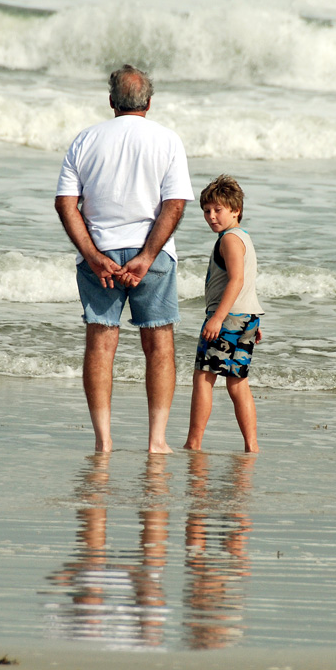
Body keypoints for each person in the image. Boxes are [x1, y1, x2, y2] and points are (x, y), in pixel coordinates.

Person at [55, 65, 194, 453]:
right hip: (152, 253)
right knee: (160, 345)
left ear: (112, 101)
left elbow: (66, 204)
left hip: (100, 254)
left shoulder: (86, 139)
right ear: (149, 102)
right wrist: (148, 256)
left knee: (101, 344)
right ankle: (157, 440)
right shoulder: (167, 140)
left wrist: (92, 255)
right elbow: (175, 204)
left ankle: (103, 440)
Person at [183, 175, 263, 453]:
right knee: (238, 384)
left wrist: (217, 318)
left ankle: (194, 443)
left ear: (235, 210)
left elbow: (237, 280)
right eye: (207, 210)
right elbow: (247, 282)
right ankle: (251, 446)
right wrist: (249, 320)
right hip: (246, 317)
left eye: (218, 210)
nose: (211, 216)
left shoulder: (229, 239)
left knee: (203, 378)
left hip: (227, 317)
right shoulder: (244, 238)